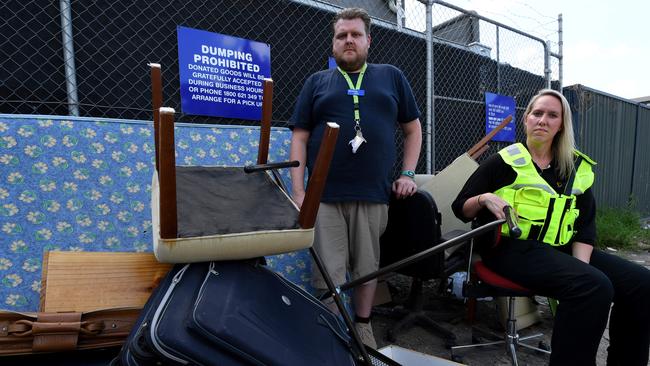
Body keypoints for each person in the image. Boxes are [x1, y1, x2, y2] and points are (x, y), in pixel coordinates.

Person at [452, 89, 650, 366]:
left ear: (561, 125)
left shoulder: (574, 168)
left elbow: (585, 226)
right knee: (594, 286)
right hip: (511, 250)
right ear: (526, 120)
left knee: (641, 283)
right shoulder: (504, 161)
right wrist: (484, 198)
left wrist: (583, 267)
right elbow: (460, 207)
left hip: (560, 248)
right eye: (537, 113)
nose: (543, 120)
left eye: (552, 115)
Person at [289, 7, 422, 348]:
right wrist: (300, 191)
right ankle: (333, 334)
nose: (348, 40)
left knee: (367, 269)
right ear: (333, 44)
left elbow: (413, 129)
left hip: (373, 193)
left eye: (355, 35)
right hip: (324, 196)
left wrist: (408, 173)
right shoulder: (317, 82)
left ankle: (363, 327)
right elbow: (300, 138)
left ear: (368, 41)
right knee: (329, 274)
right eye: (341, 35)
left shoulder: (392, 76)